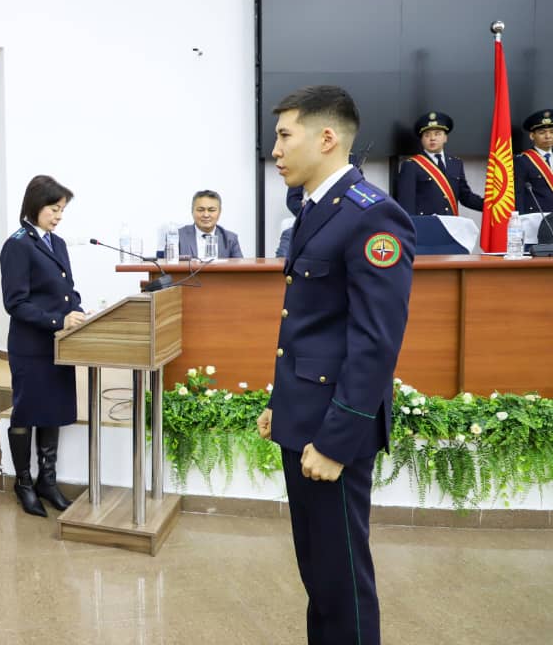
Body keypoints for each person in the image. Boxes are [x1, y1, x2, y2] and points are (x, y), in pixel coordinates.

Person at [257, 86, 415, 645]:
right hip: (305, 421)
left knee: (342, 581)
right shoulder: (316, 209)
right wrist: (280, 405)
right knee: (320, 576)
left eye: (284, 135)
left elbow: (375, 342)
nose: (275, 150)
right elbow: (307, 325)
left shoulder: (372, 216)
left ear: (326, 138)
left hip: (331, 434)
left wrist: (335, 442)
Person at [0, 175, 84, 517]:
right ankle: (23, 483)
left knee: (53, 410)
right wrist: (57, 321)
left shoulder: (57, 243)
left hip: (58, 346)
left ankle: (47, 481)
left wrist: (78, 311)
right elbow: (15, 303)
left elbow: (68, 289)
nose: (59, 216)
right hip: (31, 346)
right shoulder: (18, 245)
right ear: (36, 206)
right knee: (26, 411)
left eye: (62, 209)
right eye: (54, 209)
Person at [396, 112, 483, 216]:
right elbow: (406, 203)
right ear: (422, 140)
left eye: (437, 134)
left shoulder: (455, 163)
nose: (432, 138)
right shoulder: (411, 165)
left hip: (451, 224)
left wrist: (491, 206)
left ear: (445, 138)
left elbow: (466, 197)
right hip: (426, 223)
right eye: (427, 135)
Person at [176, 189, 243, 259]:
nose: (206, 215)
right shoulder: (178, 237)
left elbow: (240, 265)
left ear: (219, 212)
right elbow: (169, 264)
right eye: (200, 210)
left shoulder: (230, 239)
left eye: (211, 210)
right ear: (192, 211)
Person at [514, 109, 553, 215]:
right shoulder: (522, 160)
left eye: (551, 132)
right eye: (542, 133)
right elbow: (518, 194)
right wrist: (520, 219)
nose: (548, 136)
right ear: (532, 136)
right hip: (537, 218)